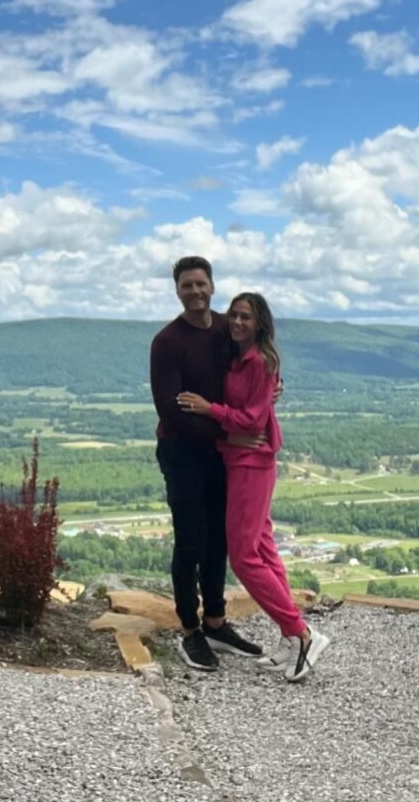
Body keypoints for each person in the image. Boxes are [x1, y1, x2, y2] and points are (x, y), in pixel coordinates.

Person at [178, 292, 331, 683]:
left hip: (252, 463)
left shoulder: (259, 361)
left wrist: (208, 409)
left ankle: (301, 633)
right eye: (234, 316)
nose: (238, 322)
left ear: (261, 322)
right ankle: (290, 637)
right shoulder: (242, 357)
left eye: (246, 317)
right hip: (239, 459)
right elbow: (252, 413)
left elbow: (249, 419)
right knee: (263, 546)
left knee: (244, 556)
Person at [150, 257, 263, 671]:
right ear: (177, 290)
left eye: (200, 284)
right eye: (186, 285)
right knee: (191, 540)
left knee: (220, 539)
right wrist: (226, 434)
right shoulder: (167, 342)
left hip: (221, 454)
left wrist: (271, 388)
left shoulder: (225, 329)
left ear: (212, 286)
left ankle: (215, 620)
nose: (195, 291)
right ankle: (190, 629)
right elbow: (171, 410)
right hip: (183, 454)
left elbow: (252, 370)